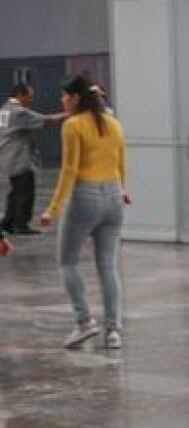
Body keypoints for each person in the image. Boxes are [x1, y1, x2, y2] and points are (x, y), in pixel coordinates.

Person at [39, 75, 129, 350]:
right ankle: (113, 330)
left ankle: (84, 322)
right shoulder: (114, 123)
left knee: (68, 262)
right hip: (114, 196)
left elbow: (69, 170)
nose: (62, 100)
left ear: (75, 98)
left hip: (85, 196)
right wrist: (122, 190)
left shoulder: (72, 125)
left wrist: (52, 209)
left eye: (64, 96)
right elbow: (120, 162)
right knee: (107, 265)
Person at [0, 83, 64, 236]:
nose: (31, 99)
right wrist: (68, 113)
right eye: (29, 95)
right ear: (21, 94)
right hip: (17, 157)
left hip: (6, 155)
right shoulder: (19, 112)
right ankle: (21, 224)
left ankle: (8, 222)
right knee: (25, 191)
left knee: (15, 191)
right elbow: (47, 119)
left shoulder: (5, 110)